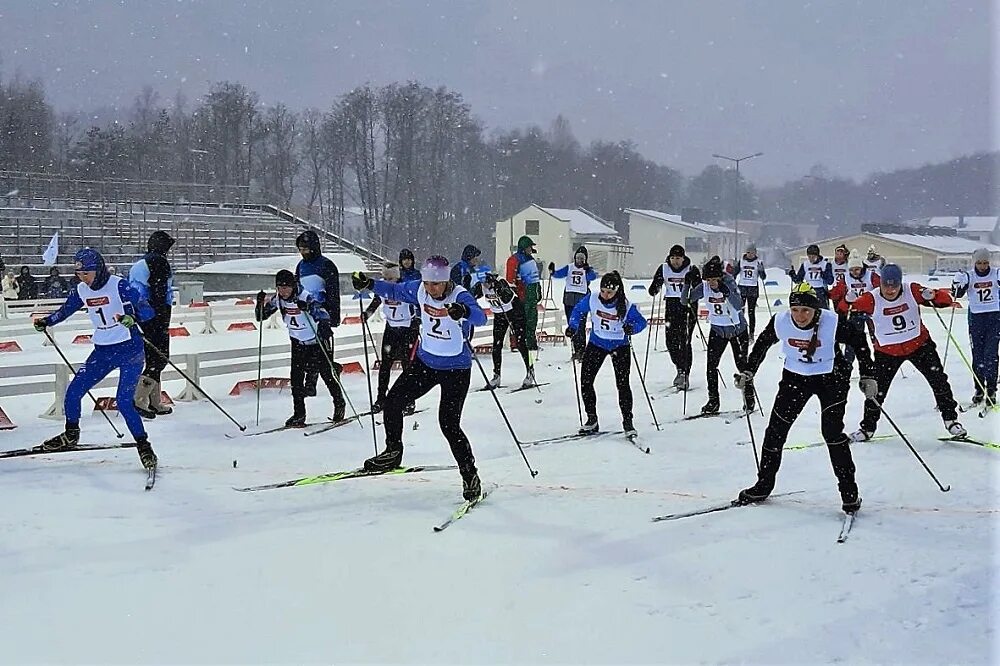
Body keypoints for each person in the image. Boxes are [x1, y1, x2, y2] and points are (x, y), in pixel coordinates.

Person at [351, 256, 488, 501]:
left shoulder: (459, 295)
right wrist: (369, 284)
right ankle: (393, 452)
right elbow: (393, 289)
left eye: (436, 284)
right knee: (392, 401)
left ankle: (470, 475)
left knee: (448, 423)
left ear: (446, 281)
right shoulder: (418, 289)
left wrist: (464, 311)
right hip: (426, 363)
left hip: (456, 369)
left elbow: (481, 317)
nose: (430, 289)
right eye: (427, 283)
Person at [733, 283, 876, 514]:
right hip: (795, 378)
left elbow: (859, 341)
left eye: (806, 311)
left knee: (831, 432)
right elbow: (761, 345)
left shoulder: (832, 322)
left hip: (832, 378)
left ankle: (849, 493)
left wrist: (868, 374)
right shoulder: (781, 321)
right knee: (775, 431)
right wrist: (749, 371)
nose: (800, 316)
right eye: (796, 310)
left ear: (816, 310)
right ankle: (763, 485)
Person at [32, 248, 158, 470]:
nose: (84, 279)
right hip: (103, 351)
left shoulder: (119, 285)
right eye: (79, 274)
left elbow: (148, 312)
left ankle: (144, 446)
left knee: (125, 402)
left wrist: (132, 317)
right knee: (73, 392)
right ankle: (71, 434)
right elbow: (65, 311)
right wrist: (47, 321)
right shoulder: (82, 289)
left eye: (87, 274)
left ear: (98, 269)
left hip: (130, 350)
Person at [849, 264, 966, 441]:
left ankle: (951, 420)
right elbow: (846, 309)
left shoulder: (911, 290)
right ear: (880, 283)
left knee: (939, 381)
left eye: (894, 285)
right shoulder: (870, 299)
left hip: (919, 346)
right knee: (876, 391)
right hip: (887, 352)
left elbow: (941, 300)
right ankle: (867, 428)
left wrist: (936, 296)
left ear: (900, 283)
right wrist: (848, 302)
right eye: (886, 285)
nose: (890, 290)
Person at [255, 270, 346, 427]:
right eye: (280, 287)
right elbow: (261, 316)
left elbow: (323, 315)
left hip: (316, 342)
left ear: (293, 286)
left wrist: (314, 314)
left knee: (327, 375)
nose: (283, 291)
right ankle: (299, 414)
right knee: (296, 379)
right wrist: (259, 304)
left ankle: (339, 404)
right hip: (298, 343)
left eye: (286, 287)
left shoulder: (305, 296)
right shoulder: (278, 299)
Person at [566, 271, 648, 437]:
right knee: (586, 381)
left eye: (610, 292)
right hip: (597, 344)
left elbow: (642, 322)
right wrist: (573, 326)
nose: (606, 295)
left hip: (620, 346)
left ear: (617, 290)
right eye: (603, 291)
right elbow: (577, 311)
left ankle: (628, 421)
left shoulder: (626, 305)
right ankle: (592, 419)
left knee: (622, 384)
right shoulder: (592, 298)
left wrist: (632, 329)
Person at [688, 258, 754, 414]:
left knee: (742, 366)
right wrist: (687, 283)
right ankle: (713, 401)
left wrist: (726, 292)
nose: (712, 282)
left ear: (720, 277)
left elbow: (739, 305)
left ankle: (749, 399)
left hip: (737, 330)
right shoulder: (705, 286)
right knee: (711, 366)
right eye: (709, 279)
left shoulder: (729, 282)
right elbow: (688, 299)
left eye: (715, 279)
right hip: (718, 330)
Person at [129, 230, 176, 419]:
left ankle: (154, 401)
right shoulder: (158, 262)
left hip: (140, 316)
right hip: (154, 317)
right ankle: (139, 399)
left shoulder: (141, 262)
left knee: (153, 359)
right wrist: (162, 320)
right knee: (160, 358)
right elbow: (159, 292)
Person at [363, 264, 419, 414]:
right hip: (391, 329)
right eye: (386, 278)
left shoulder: (405, 288)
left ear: (398, 277)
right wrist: (366, 314)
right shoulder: (383, 289)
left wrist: (419, 320)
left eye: (391, 279)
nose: (388, 282)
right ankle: (381, 398)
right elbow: (375, 303)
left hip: (408, 329)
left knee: (408, 366)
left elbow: (419, 304)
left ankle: (409, 400)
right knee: (385, 365)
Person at [647, 245, 702, 390]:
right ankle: (680, 368)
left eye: (678, 258)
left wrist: (692, 284)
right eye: (672, 258)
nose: (675, 261)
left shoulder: (691, 269)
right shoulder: (664, 268)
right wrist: (654, 289)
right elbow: (655, 285)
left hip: (688, 307)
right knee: (670, 341)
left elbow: (701, 289)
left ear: (683, 258)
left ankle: (685, 373)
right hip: (672, 305)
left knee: (684, 341)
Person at [294, 229, 341, 397]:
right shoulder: (300, 266)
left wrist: (333, 316)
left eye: (305, 248)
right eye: (300, 249)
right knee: (308, 355)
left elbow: (333, 292)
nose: (303, 252)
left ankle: (332, 381)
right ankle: (310, 384)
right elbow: (296, 288)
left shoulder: (326, 265)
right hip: (305, 315)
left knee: (323, 357)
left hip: (322, 313)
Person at [952, 248, 1000, 405]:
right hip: (976, 319)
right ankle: (979, 388)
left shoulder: (996, 274)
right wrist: (956, 284)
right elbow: (957, 294)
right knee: (978, 356)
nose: (982, 266)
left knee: (991, 355)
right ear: (974, 262)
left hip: (994, 317)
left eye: (985, 262)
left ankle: (991, 389)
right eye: (979, 263)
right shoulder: (969, 276)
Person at [474, 271, 533, 389]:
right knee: (496, 345)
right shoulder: (481, 285)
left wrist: (498, 289)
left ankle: (530, 371)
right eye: (482, 283)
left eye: (486, 283)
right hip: (499, 314)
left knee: (521, 343)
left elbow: (506, 298)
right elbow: (472, 296)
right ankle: (496, 376)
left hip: (515, 311)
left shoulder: (500, 282)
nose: (484, 285)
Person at [830, 249, 881, 365]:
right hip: (855, 311)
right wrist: (829, 294)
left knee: (877, 337)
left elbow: (881, 290)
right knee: (853, 339)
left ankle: (880, 363)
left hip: (871, 311)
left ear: (861, 267)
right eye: (852, 270)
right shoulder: (846, 278)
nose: (855, 272)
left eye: (857, 269)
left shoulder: (871, 276)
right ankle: (848, 364)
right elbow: (837, 292)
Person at [548, 246, 598, 360]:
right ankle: (576, 350)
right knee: (572, 326)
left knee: (580, 326)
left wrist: (587, 269)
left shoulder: (587, 270)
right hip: (569, 300)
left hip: (582, 301)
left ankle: (582, 350)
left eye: (582, 259)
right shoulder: (569, 267)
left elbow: (593, 277)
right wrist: (552, 271)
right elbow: (558, 274)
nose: (579, 261)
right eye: (578, 258)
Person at [506, 235, 542, 357]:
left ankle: (531, 342)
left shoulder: (531, 260)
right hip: (521, 295)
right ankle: (516, 343)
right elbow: (510, 280)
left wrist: (538, 290)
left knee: (532, 319)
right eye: (529, 247)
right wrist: (514, 294)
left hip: (532, 294)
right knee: (519, 321)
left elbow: (535, 277)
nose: (531, 249)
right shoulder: (514, 260)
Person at [733, 243, 767, 340]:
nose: (750, 255)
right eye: (748, 252)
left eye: (752, 253)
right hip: (742, 287)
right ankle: (740, 331)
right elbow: (734, 274)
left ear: (755, 253)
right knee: (740, 311)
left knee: (751, 313)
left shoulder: (758, 262)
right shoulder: (741, 261)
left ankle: (751, 333)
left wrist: (761, 271)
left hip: (753, 288)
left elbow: (763, 277)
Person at [788, 244, 833, 309]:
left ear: (817, 256)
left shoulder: (825, 264)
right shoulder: (805, 264)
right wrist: (792, 275)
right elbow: (798, 280)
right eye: (809, 257)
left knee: (823, 311)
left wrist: (823, 274)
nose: (811, 259)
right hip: (808, 290)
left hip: (821, 291)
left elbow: (830, 281)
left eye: (813, 257)